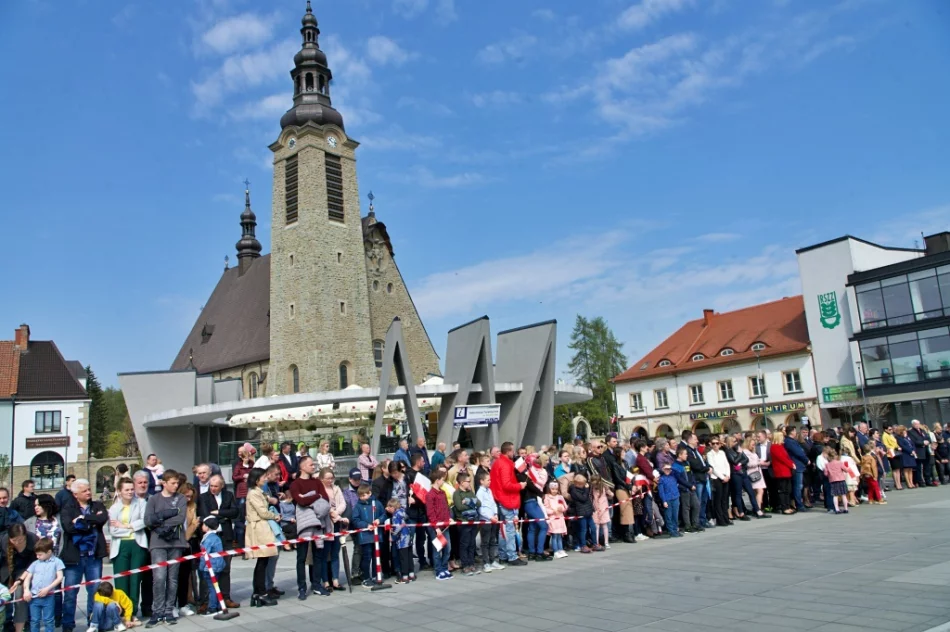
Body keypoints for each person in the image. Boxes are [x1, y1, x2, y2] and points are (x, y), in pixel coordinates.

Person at [60, 478, 109, 632]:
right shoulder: (68, 508)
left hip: (93, 556)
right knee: (70, 593)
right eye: (84, 491)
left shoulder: (97, 505)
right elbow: (69, 527)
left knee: (94, 590)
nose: (89, 492)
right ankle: (68, 624)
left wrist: (83, 520)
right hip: (74, 558)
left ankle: (92, 622)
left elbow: (102, 518)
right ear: (75, 494)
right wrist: (90, 523)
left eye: (89, 489)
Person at [142, 471, 186, 627]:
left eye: (177, 483)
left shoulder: (180, 498)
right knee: (159, 578)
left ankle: (169, 610)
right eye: (173, 483)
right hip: (158, 542)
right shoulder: (154, 499)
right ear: (164, 483)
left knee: (172, 578)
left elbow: (180, 517)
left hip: (176, 542)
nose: (176, 486)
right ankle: (157, 610)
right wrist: (164, 518)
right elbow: (148, 520)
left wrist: (159, 519)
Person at [289, 456, 332, 599]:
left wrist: (310, 497)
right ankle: (302, 587)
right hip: (304, 524)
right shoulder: (295, 484)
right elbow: (299, 500)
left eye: (313, 464)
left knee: (318, 555)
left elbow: (325, 499)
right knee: (301, 557)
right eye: (310, 464)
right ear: (302, 467)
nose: (313, 466)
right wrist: (315, 496)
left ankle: (316, 584)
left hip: (318, 522)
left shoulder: (317, 482)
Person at [196, 475, 239, 611]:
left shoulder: (228, 495)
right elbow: (205, 515)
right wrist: (224, 516)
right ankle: (205, 600)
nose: (213, 489)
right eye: (211, 486)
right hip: (210, 536)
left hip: (225, 536)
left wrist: (219, 512)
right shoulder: (203, 497)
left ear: (222, 486)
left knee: (225, 567)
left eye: (216, 486)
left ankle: (225, 597)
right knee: (207, 568)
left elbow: (235, 512)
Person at [107, 478, 147, 620]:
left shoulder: (141, 503)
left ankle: (133, 612)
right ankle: (123, 612)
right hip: (120, 546)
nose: (130, 492)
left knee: (135, 580)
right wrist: (131, 529)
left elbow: (144, 521)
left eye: (132, 489)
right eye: (127, 490)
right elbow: (113, 531)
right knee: (121, 581)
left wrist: (126, 526)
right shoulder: (114, 508)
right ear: (119, 491)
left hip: (137, 545)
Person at [245, 469, 278, 607]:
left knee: (263, 561)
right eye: (263, 476)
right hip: (258, 528)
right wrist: (275, 516)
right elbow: (262, 512)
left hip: (261, 526)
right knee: (262, 561)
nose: (265, 478)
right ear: (257, 479)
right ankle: (260, 592)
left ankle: (258, 593)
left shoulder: (259, 492)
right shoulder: (253, 493)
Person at [489, 442, 527, 566]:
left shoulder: (498, 463)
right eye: (513, 451)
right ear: (509, 451)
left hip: (501, 498)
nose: (514, 453)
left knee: (503, 529)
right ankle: (511, 555)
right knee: (509, 529)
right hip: (507, 499)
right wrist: (519, 486)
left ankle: (503, 554)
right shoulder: (505, 464)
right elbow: (506, 485)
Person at [22, 537, 64, 632]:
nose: (37, 557)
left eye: (40, 554)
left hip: (48, 597)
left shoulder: (57, 562)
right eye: (36, 554)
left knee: (48, 620)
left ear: (49, 552)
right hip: (34, 597)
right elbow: (27, 577)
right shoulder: (35, 563)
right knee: (34, 620)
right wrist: (26, 591)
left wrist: (48, 589)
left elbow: (60, 577)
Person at [1, 523, 37, 632]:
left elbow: (33, 565)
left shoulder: (33, 540)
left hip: (25, 571)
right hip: (5, 569)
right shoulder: (3, 540)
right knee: (5, 595)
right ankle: (6, 624)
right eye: (14, 540)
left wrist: (20, 581)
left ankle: (20, 628)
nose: (17, 543)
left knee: (20, 597)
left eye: (21, 540)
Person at [350, 484, 385, 587]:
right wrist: (366, 525)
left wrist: (379, 520)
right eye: (360, 496)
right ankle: (366, 577)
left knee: (376, 556)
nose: (361, 498)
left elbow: (383, 514)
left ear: (369, 493)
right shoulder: (358, 506)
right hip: (365, 536)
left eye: (363, 495)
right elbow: (355, 520)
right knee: (367, 557)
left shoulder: (377, 504)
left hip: (377, 535)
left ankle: (375, 575)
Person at [422, 470, 452, 581]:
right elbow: (430, 513)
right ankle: (438, 570)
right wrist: (436, 528)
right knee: (437, 549)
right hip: (436, 527)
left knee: (447, 548)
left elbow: (446, 508)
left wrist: (448, 518)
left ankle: (444, 567)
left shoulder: (443, 493)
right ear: (437, 480)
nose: (443, 482)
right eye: (442, 480)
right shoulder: (430, 495)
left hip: (445, 525)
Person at [197, 517, 226, 616]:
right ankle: (218, 606)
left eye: (204, 524)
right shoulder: (217, 537)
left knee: (211, 587)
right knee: (216, 586)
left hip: (210, 567)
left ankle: (212, 608)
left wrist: (201, 567)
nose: (202, 526)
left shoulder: (208, 539)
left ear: (208, 527)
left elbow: (204, 554)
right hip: (218, 566)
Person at [475, 471, 501, 572]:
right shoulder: (480, 492)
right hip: (485, 520)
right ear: (481, 481)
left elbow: (493, 503)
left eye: (490, 479)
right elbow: (481, 508)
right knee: (485, 542)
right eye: (488, 480)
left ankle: (492, 560)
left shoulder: (489, 491)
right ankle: (486, 562)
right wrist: (490, 517)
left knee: (492, 540)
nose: (490, 481)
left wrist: (496, 514)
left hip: (493, 519)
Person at [231, 444, 256, 549]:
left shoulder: (252, 464)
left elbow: (255, 474)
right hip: (241, 492)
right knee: (241, 517)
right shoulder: (237, 464)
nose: (240, 455)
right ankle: (241, 544)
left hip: (250, 491)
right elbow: (234, 477)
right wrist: (243, 476)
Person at [672, 447, 700, 532]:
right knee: (686, 508)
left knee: (696, 505)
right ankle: (688, 525)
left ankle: (695, 523)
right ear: (680, 455)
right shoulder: (675, 466)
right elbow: (680, 479)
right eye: (685, 454)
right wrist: (689, 486)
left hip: (691, 488)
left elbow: (691, 474)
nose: (687, 455)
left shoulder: (686, 463)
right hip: (684, 489)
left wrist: (693, 483)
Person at [706, 436, 731, 527]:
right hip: (716, 478)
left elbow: (726, 464)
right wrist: (722, 477)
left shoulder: (722, 453)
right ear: (711, 444)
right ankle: (720, 519)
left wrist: (727, 475)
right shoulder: (710, 454)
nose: (715, 445)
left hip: (725, 476)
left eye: (717, 443)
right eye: (713, 443)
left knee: (725, 499)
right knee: (718, 500)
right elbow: (713, 467)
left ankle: (726, 518)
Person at [784, 427, 810, 511]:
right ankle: (799, 505)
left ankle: (797, 503)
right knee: (798, 486)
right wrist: (806, 460)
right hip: (797, 465)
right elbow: (799, 452)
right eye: (795, 431)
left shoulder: (791, 441)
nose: (796, 432)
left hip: (798, 465)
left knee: (799, 486)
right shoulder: (790, 442)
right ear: (791, 432)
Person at [769, 431, 794, 514]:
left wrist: (791, 463)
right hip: (781, 471)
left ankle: (788, 506)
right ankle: (784, 507)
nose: (783, 438)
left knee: (788, 490)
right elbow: (782, 458)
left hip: (786, 470)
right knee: (783, 490)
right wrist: (791, 464)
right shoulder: (774, 447)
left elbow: (786, 457)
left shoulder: (781, 446)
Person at [657, 463, 682, 538]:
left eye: (668, 469)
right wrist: (664, 501)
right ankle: (671, 531)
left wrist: (671, 468)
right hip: (667, 499)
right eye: (666, 469)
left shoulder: (673, 476)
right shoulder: (661, 479)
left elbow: (679, 471)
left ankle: (675, 529)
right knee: (669, 516)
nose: (667, 471)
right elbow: (661, 491)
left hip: (675, 497)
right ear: (663, 470)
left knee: (675, 515)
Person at [824, 449, 849, 514]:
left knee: (835, 496)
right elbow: (846, 470)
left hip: (833, 481)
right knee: (843, 495)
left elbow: (826, 474)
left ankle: (837, 509)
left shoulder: (827, 464)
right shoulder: (840, 462)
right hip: (841, 480)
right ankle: (846, 509)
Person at [882, 425, 902, 490]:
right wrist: (895, 447)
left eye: (891, 429)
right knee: (895, 469)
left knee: (898, 469)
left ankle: (899, 483)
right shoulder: (885, 436)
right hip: (891, 453)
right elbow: (886, 445)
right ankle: (896, 483)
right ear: (885, 429)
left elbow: (895, 442)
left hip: (896, 452)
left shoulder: (891, 435)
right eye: (889, 429)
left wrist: (898, 446)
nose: (891, 430)